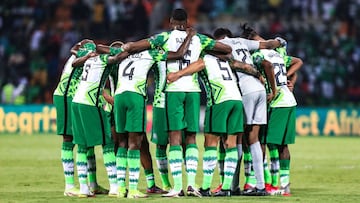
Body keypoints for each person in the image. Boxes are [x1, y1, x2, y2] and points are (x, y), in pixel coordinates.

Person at [122, 8, 232, 197]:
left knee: (171, 140)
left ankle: (176, 186)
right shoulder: (200, 39)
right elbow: (227, 49)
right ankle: (191, 185)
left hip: (171, 91)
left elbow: (135, 47)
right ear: (187, 21)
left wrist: (127, 47)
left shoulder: (163, 37)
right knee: (190, 137)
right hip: (193, 90)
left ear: (171, 21)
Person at [113, 28, 196, 198]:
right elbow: (179, 54)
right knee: (145, 143)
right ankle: (154, 185)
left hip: (122, 96)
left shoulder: (123, 56)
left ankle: (121, 187)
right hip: (151, 99)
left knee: (125, 142)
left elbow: (108, 51)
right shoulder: (152, 54)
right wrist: (189, 36)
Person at [212, 26, 285, 196]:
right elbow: (267, 45)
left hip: (245, 91)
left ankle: (233, 186)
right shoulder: (243, 42)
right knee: (254, 140)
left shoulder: (220, 45)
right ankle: (260, 186)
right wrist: (280, 41)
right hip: (259, 89)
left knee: (236, 138)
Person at [166, 48, 245, 197]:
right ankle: (227, 187)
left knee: (210, 143)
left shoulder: (206, 59)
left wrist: (177, 74)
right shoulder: (224, 60)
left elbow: (198, 65)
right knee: (230, 144)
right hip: (237, 100)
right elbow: (242, 66)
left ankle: (206, 187)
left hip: (220, 100)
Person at [244, 25, 303, 196]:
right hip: (289, 101)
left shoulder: (257, 54)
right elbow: (298, 62)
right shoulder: (278, 53)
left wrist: (275, 89)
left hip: (276, 102)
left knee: (263, 142)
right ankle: (284, 185)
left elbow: (268, 67)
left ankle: (270, 183)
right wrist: (287, 78)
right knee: (281, 144)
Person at [70, 42, 128, 198]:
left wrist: (87, 53)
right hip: (90, 103)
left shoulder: (87, 59)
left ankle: (84, 188)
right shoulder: (103, 59)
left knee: (82, 146)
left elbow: (74, 62)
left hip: (76, 102)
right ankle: (115, 187)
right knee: (107, 143)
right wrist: (129, 50)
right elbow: (116, 58)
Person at [53, 39, 109, 196]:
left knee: (86, 140)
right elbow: (75, 59)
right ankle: (69, 186)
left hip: (77, 97)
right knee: (69, 139)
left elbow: (74, 48)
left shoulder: (81, 50)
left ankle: (93, 184)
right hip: (65, 95)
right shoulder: (86, 54)